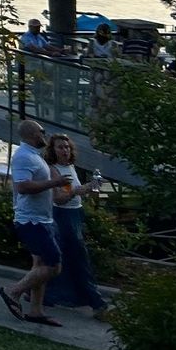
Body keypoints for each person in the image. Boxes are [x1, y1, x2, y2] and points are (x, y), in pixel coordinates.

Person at [0, 118, 75, 326]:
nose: (45, 134)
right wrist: (55, 182)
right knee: (54, 265)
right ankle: (13, 292)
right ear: (34, 135)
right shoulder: (23, 157)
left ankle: (36, 311)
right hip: (31, 220)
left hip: (44, 219)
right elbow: (23, 187)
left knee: (40, 265)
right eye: (42, 131)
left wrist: (58, 187)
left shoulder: (34, 155)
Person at [41, 134, 108, 316]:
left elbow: (75, 192)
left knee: (67, 258)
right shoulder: (53, 170)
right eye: (60, 147)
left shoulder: (70, 167)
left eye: (67, 147)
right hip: (63, 216)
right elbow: (59, 198)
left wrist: (90, 188)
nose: (65, 150)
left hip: (75, 213)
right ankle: (96, 302)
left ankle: (46, 294)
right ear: (53, 150)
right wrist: (78, 191)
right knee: (78, 257)